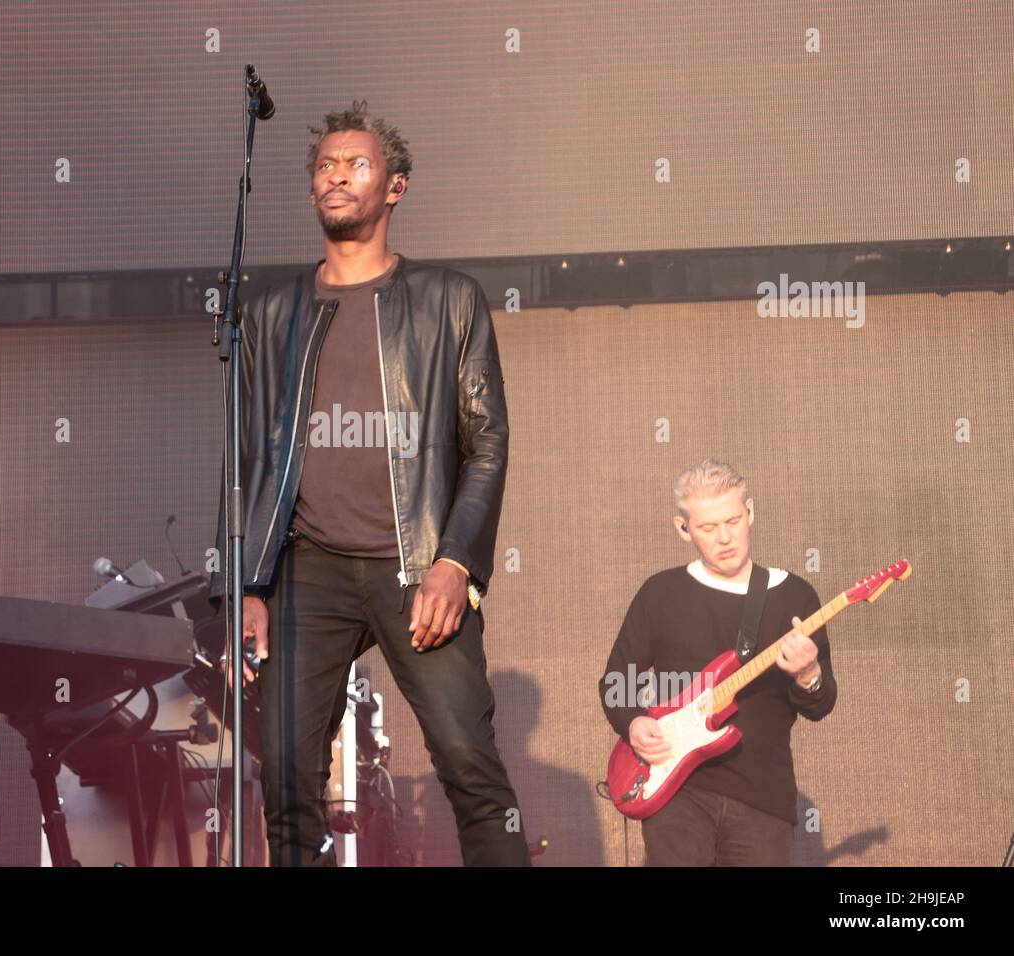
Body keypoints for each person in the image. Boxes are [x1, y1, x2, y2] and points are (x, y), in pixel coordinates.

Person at [212, 100, 529, 866]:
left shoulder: (448, 300)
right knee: (286, 776)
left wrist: (455, 562)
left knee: (469, 767)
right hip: (305, 568)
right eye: (325, 165)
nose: (337, 175)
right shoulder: (271, 311)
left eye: (356, 164)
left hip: (416, 560)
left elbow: (487, 441)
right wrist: (244, 589)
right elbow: (245, 459)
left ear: (395, 187)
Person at [600, 459, 836, 865]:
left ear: (751, 513)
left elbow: (821, 704)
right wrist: (633, 722)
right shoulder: (661, 593)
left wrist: (808, 673)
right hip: (677, 790)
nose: (725, 537)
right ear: (683, 528)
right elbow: (618, 679)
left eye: (733, 520)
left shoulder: (793, 596)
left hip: (764, 795)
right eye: (708, 528)